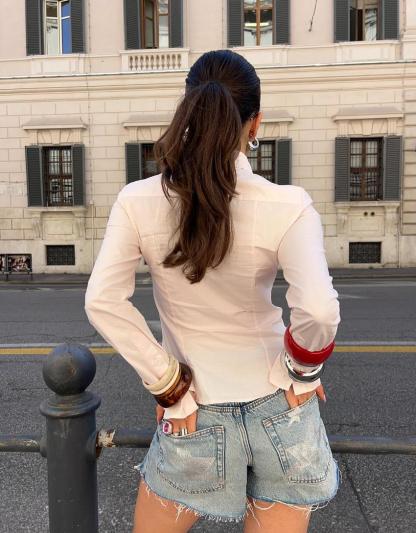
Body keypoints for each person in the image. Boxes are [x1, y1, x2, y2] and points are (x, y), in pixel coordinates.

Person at [84, 49, 341, 533]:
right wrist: (301, 373)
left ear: (190, 108)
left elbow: (102, 301)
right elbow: (318, 310)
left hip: (194, 407)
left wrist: (169, 384)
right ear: (255, 123)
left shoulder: (138, 200)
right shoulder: (288, 205)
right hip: (280, 403)